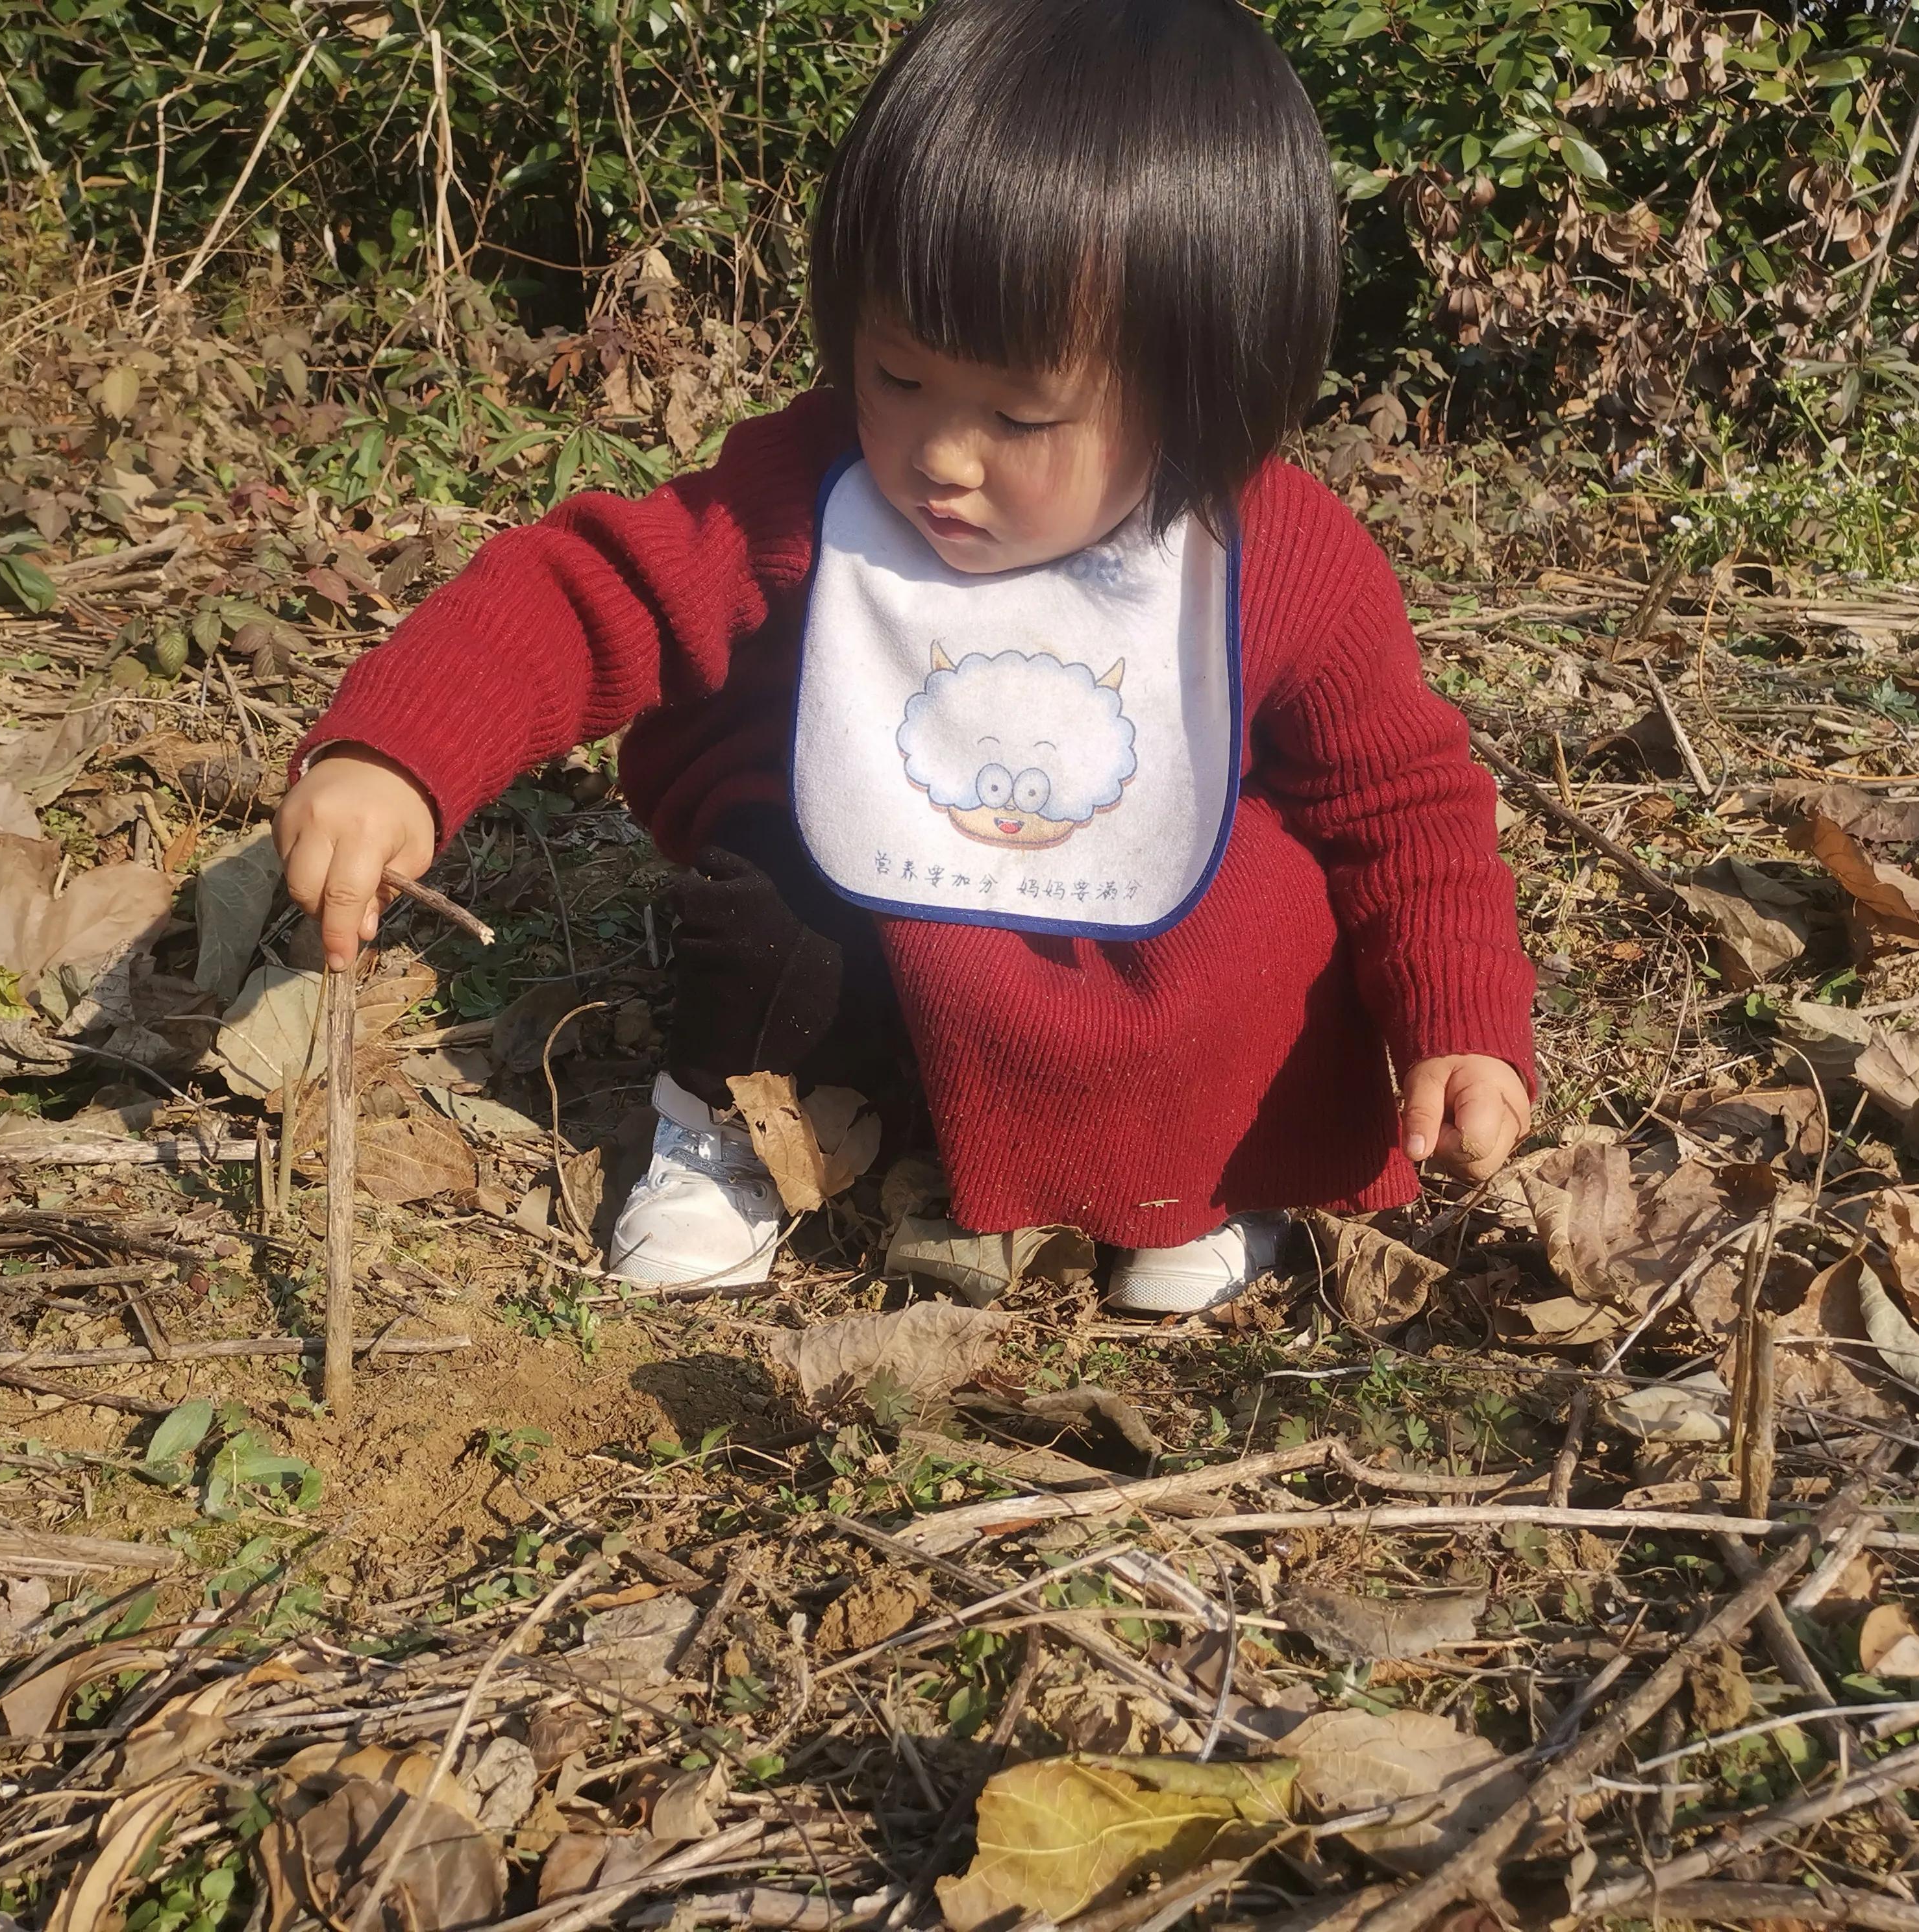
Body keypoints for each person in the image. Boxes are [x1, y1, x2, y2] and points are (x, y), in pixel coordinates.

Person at [274, 0, 1535, 1313]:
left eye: (1021, 413)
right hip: (868, 880)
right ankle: (736, 1122)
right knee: (773, 901)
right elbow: (594, 594)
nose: (939, 456)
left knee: (1260, 910)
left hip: (1114, 898)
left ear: (1204, 387)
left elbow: (1399, 804)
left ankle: (1192, 1176)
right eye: (896, 375)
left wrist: (1457, 1025)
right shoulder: (814, 493)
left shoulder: (1266, 558)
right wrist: (396, 753)